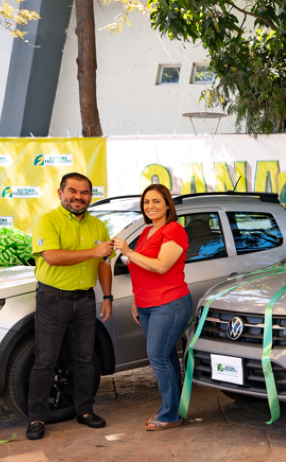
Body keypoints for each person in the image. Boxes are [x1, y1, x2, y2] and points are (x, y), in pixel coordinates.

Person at [27, 172, 113, 440]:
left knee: (85, 359)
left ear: (90, 195)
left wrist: (107, 296)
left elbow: (103, 264)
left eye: (85, 192)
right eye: (73, 191)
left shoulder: (98, 225)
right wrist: (93, 252)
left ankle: (85, 411)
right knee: (45, 359)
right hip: (53, 299)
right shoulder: (47, 221)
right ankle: (37, 418)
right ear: (60, 193)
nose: (79, 197)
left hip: (85, 300)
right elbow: (52, 257)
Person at [113, 184, 191, 431]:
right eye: (146, 202)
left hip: (169, 303)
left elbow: (160, 266)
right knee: (165, 356)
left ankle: (170, 415)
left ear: (168, 204)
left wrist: (128, 251)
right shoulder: (147, 232)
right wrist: (137, 299)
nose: (151, 206)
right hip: (147, 305)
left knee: (158, 357)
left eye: (157, 201)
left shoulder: (174, 230)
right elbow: (143, 271)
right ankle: (173, 409)